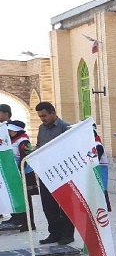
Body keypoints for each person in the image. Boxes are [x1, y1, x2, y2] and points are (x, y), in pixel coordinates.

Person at [35, 101, 74, 245]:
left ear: (53, 112)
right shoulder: (41, 128)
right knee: (48, 205)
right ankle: (54, 233)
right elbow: (39, 146)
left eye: (44, 116)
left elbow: (70, 150)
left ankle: (67, 234)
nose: (42, 119)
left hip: (62, 173)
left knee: (65, 205)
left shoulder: (65, 127)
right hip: (45, 172)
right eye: (40, 116)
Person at [6, 120, 38, 232]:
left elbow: (24, 159)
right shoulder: (13, 140)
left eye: (12, 130)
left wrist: (19, 172)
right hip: (16, 174)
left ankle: (29, 223)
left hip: (24, 174)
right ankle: (22, 221)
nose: (10, 132)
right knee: (20, 199)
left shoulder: (23, 141)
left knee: (26, 199)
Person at [94, 124, 112, 211]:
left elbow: (96, 159)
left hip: (100, 172)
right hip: (95, 173)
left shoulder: (97, 145)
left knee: (101, 191)